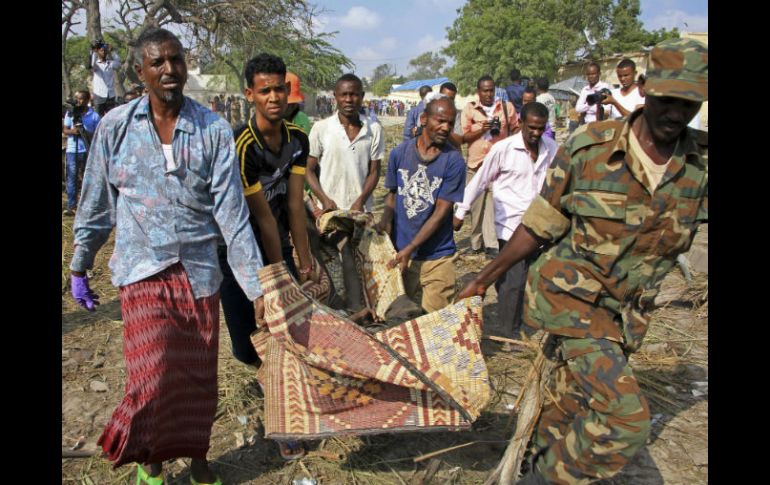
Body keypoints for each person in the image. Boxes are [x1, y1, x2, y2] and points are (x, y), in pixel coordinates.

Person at [457, 38, 708, 485]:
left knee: (565, 408)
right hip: (570, 303)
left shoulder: (699, 166)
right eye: (668, 100)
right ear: (646, 89)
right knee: (625, 421)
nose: (675, 113)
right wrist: (483, 278)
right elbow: (539, 225)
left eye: (688, 104)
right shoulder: (589, 148)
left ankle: (529, 466)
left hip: (627, 317)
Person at [69, 27, 268, 485]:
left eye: (175, 60)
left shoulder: (213, 129)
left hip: (199, 272)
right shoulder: (116, 127)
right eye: (157, 62)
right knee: (152, 374)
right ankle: (150, 461)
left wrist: (256, 287)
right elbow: (96, 199)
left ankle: (199, 463)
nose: (169, 70)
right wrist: (80, 261)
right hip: (141, 268)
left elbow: (232, 215)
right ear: (140, 72)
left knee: (197, 380)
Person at [454, 101, 556, 339]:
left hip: (539, 224)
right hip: (510, 224)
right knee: (513, 280)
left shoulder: (551, 148)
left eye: (541, 128)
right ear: (520, 123)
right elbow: (480, 180)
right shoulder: (504, 149)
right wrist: (461, 211)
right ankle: (509, 333)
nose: (536, 133)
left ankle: (521, 320)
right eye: (531, 127)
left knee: (530, 276)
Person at [376, 94, 465, 313]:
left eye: (450, 124)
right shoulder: (400, 154)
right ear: (424, 119)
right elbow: (393, 194)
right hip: (402, 252)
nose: (445, 128)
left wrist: (411, 248)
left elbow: (441, 212)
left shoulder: (453, 162)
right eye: (440, 121)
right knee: (395, 318)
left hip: (437, 257)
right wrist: (385, 225)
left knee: (435, 322)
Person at [306, 73, 384, 312]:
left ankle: (360, 307)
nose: (349, 99)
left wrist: (360, 200)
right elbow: (309, 170)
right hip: (331, 211)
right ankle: (350, 307)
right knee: (339, 256)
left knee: (364, 261)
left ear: (362, 97)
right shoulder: (321, 128)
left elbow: (374, 171)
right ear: (335, 98)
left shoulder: (373, 130)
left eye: (354, 94)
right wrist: (324, 199)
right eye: (344, 94)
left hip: (359, 212)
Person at [461, 75, 518, 257]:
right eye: (485, 90)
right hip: (476, 164)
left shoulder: (506, 108)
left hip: (498, 165)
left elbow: (515, 128)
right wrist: (483, 128)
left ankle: (491, 244)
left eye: (491, 90)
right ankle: (476, 242)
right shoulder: (469, 109)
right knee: (476, 206)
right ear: (479, 92)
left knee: (494, 205)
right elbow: (465, 137)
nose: (488, 94)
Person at [62, 90, 100, 216]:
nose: (78, 101)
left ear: (88, 100)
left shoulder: (94, 116)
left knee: (87, 176)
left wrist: (85, 132)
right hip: (72, 150)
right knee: (71, 177)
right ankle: (71, 205)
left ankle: (88, 204)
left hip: (88, 150)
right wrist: (73, 131)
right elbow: (65, 130)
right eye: (76, 98)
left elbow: (99, 134)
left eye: (81, 98)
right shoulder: (70, 114)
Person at [89, 40, 121, 116]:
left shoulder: (110, 63)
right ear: (98, 52)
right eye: (101, 50)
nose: (103, 52)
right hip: (99, 94)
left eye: (105, 50)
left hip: (110, 94)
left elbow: (118, 63)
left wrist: (112, 51)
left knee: (112, 116)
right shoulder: (96, 65)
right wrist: (93, 51)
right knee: (98, 117)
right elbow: (91, 65)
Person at [439, 81, 464, 148]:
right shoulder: (429, 111)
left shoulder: (457, 114)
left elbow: (458, 141)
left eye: (451, 99)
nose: (448, 101)